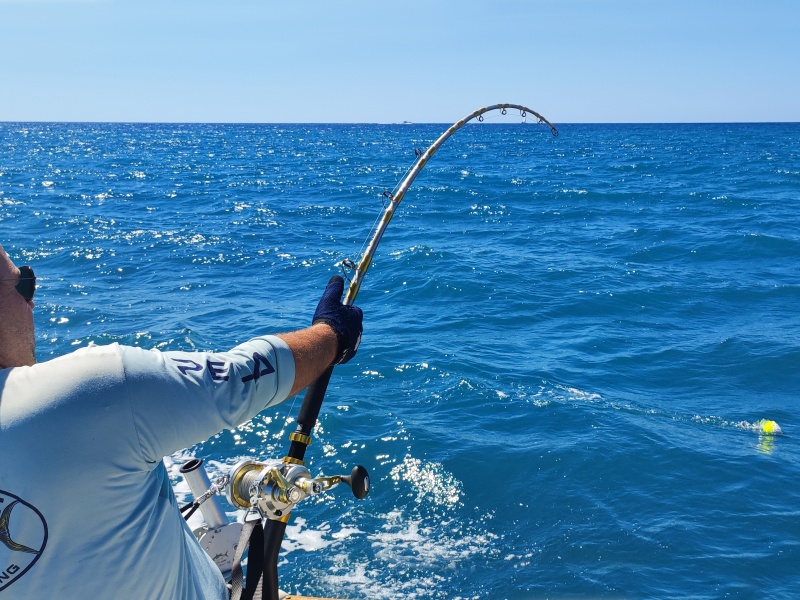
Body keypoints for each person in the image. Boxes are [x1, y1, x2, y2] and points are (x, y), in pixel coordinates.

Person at [0, 242, 363, 599]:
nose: (32, 300)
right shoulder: (95, 387)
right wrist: (333, 334)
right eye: (23, 283)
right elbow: (242, 379)